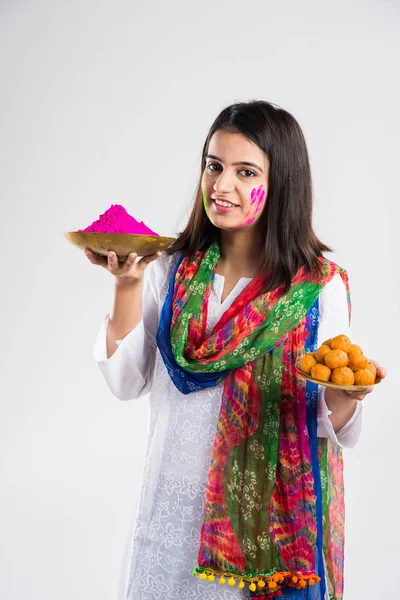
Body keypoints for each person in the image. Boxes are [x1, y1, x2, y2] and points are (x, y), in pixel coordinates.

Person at [84, 100, 386, 600]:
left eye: (245, 172)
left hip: (263, 544)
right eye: (213, 165)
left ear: (282, 183)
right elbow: (125, 382)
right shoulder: (170, 272)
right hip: (169, 526)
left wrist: (348, 392)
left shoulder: (315, 290)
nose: (221, 186)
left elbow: (330, 423)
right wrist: (127, 286)